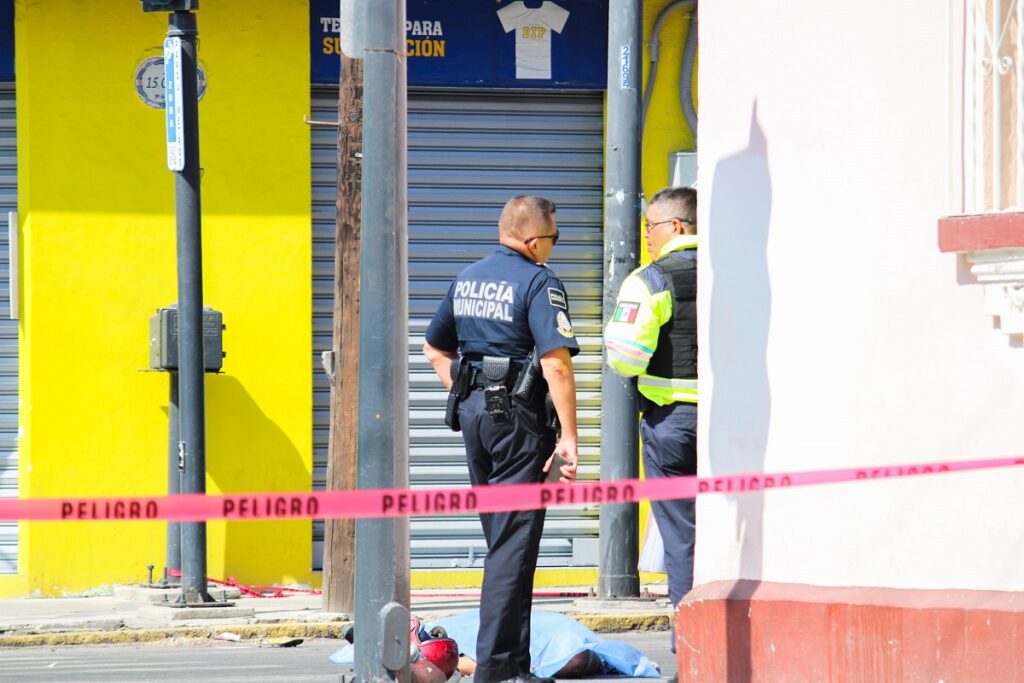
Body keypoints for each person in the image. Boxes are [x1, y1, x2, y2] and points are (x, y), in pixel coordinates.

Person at [422, 195, 580, 683]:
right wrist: (571, 437)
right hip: (516, 422)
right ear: (534, 240)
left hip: (475, 417)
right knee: (513, 543)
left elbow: (434, 347)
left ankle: (513, 663)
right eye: (553, 239)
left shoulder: (468, 276)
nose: (553, 248)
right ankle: (495, 669)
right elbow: (555, 362)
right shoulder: (538, 281)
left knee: (508, 538)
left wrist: (471, 393)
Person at [604, 186, 698, 649]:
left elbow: (624, 354)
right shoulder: (736, 270)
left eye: (650, 227)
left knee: (681, 532)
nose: (647, 237)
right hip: (737, 425)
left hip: (673, 423)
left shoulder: (652, 279)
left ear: (676, 227)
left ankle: (693, 644)